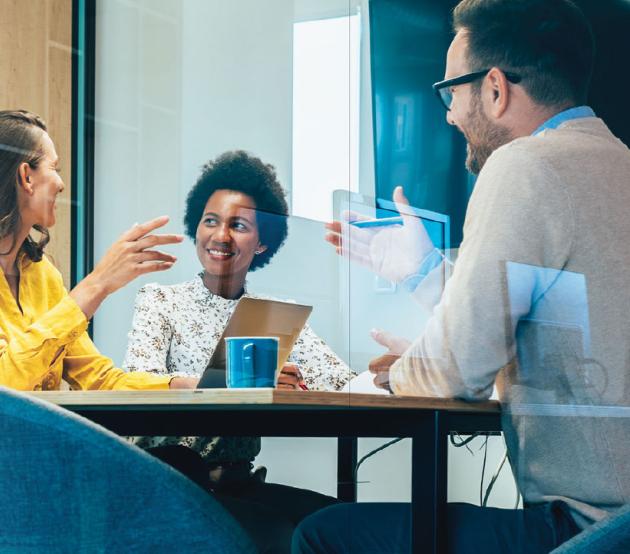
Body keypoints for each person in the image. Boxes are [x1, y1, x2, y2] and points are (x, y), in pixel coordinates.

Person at [294, 0, 630, 552]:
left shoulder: (525, 165)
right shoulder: (613, 163)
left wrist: (405, 371)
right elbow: (559, 340)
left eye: (450, 91)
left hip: (584, 529)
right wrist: (425, 272)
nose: (449, 114)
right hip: (621, 526)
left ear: (494, 88)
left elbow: (455, 370)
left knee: (325, 534)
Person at [123, 150, 355, 553]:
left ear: (263, 242)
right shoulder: (160, 300)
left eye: (239, 225)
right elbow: (137, 380)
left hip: (240, 485)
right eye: (210, 221)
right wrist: (234, 381)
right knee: (286, 536)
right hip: (169, 483)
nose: (221, 235)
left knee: (341, 524)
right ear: (196, 228)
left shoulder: (272, 317)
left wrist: (388, 373)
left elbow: (345, 384)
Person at [0, 110, 196, 391]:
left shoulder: (43, 275)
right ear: (26, 177)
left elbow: (98, 380)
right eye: (54, 168)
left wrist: (191, 385)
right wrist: (97, 284)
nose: (61, 183)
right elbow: (5, 386)